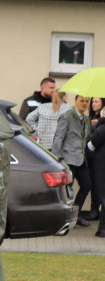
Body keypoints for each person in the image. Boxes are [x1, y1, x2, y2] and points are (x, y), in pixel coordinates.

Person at [52, 95, 93, 226]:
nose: (84, 103)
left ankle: (76, 214)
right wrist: (57, 159)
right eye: (82, 101)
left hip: (81, 160)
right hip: (68, 159)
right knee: (67, 190)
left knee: (87, 185)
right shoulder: (67, 116)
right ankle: (63, 219)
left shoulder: (86, 119)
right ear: (75, 102)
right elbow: (58, 138)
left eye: (87, 101)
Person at [87, 117, 105, 238]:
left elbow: (90, 146)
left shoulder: (102, 129)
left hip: (101, 167)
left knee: (104, 198)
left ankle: (102, 229)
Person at [86, 96, 103, 221]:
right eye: (92, 102)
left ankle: (96, 211)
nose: (93, 104)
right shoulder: (89, 117)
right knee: (92, 184)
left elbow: (94, 140)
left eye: (96, 102)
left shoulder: (101, 122)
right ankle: (94, 209)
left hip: (99, 157)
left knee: (99, 185)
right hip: (91, 158)